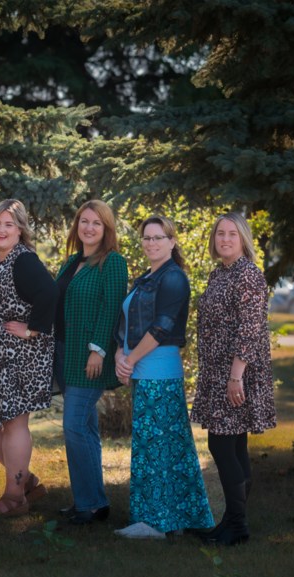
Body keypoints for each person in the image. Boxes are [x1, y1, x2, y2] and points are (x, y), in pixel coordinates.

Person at [114, 215, 214, 539]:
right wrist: (120, 354)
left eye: (158, 237)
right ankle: (175, 519)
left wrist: (129, 359)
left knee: (160, 450)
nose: (151, 243)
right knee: (158, 448)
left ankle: (156, 523)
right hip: (142, 371)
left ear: (172, 242)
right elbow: (125, 324)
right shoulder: (146, 276)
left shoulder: (173, 278)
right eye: (147, 237)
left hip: (159, 373)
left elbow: (162, 327)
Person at [0, 199, 57, 518]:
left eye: (10, 224)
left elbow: (49, 294)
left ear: (20, 230)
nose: (2, 230)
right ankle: (26, 479)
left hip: (19, 356)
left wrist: (32, 331)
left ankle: (14, 497)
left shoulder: (24, 261)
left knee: (15, 421)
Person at [191, 213, 276, 545]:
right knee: (234, 443)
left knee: (222, 442)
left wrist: (235, 377)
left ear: (243, 239)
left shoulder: (248, 275)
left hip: (237, 374)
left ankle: (237, 524)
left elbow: (250, 329)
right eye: (220, 234)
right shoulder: (220, 273)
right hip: (218, 373)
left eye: (231, 234)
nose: (224, 239)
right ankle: (232, 521)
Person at [53, 201, 128, 525]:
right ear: (76, 226)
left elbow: (111, 308)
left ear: (107, 228)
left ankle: (91, 503)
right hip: (67, 354)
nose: (89, 228)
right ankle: (91, 501)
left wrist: (98, 350)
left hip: (90, 358)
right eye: (84, 221)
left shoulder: (112, 262)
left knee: (73, 425)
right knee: (85, 428)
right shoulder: (72, 262)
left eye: (97, 223)